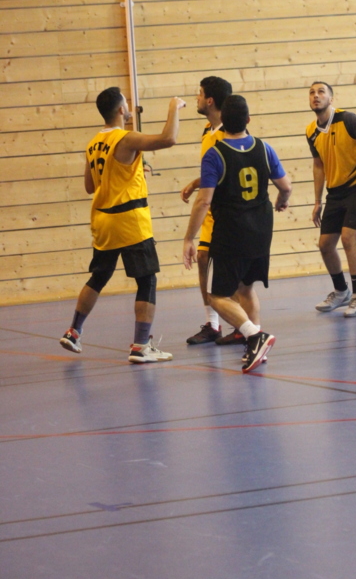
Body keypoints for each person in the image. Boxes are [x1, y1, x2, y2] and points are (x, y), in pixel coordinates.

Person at [60, 87, 185, 362]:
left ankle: (74, 332)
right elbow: (169, 138)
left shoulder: (93, 143)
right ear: (120, 109)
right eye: (126, 103)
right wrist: (174, 107)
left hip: (103, 220)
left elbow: (90, 186)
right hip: (129, 220)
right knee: (146, 280)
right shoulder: (125, 138)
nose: (129, 107)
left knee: (98, 277)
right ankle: (140, 346)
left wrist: (130, 173)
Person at [183, 94, 292, 372]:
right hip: (261, 230)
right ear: (248, 120)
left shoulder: (215, 154)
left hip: (231, 232)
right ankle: (256, 348)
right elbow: (286, 186)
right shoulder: (264, 148)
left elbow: (204, 201)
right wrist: (281, 201)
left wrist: (188, 238)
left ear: (222, 121)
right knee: (246, 287)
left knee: (216, 296)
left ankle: (255, 336)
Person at [180, 76, 245, 347]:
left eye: (199, 94)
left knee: (236, 277)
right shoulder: (208, 129)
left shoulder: (231, 134)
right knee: (204, 259)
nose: (196, 98)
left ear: (209, 100)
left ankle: (246, 327)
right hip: (211, 211)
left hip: (226, 213)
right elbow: (213, 172)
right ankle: (214, 324)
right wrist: (196, 183)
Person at [306, 81, 356, 317]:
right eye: (312, 92)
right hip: (336, 192)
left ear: (331, 98)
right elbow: (318, 165)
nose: (316, 96)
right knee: (325, 244)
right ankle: (341, 292)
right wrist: (317, 201)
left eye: (321, 92)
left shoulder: (348, 119)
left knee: (348, 238)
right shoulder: (311, 131)